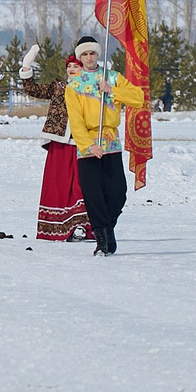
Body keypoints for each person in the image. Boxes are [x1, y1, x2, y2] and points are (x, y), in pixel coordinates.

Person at [63, 35, 146, 255]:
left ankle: (108, 226)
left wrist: (113, 90)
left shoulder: (112, 77)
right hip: (88, 143)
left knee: (118, 192)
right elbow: (76, 120)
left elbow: (138, 98)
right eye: (85, 54)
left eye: (92, 53)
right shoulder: (74, 86)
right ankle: (101, 236)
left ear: (98, 54)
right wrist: (89, 145)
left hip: (110, 141)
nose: (89, 58)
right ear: (80, 57)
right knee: (94, 194)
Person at [16, 45, 92, 243]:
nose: (72, 70)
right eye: (69, 67)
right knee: (58, 184)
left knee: (80, 185)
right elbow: (32, 89)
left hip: (81, 142)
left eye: (76, 66)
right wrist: (26, 66)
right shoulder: (59, 87)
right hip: (59, 141)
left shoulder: (91, 89)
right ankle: (56, 227)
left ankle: (82, 226)